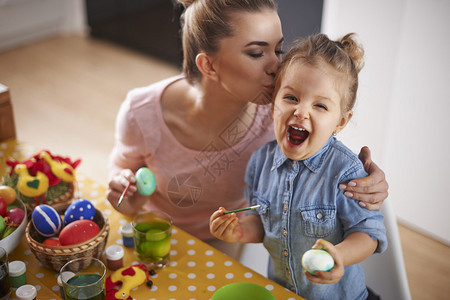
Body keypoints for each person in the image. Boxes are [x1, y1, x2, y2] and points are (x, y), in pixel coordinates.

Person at [106, 0, 388, 258]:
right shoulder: (141, 113)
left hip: (228, 244)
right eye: (256, 53)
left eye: (278, 50)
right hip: (155, 238)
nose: (277, 66)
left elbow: (327, 157)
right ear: (209, 65)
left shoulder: (279, 115)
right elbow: (123, 187)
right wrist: (125, 192)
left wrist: (369, 183)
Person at [209, 33, 387, 299]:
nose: (301, 112)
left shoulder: (347, 173)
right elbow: (263, 223)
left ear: (340, 121)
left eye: (320, 105)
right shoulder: (260, 163)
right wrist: (240, 230)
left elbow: (368, 235)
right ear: (274, 103)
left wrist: (339, 255)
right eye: (291, 98)